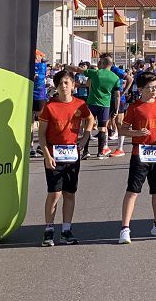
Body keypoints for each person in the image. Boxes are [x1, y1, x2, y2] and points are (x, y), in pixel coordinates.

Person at [117, 71, 156, 244]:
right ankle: (125, 229)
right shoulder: (134, 107)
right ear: (140, 89)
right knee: (133, 191)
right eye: (150, 87)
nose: (154, 90)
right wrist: (136, 133)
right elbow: (122, 130)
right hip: (140, 154)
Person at [38, 69, 95, 246]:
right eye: (61, 83)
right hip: (54, 155)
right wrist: (47, 155)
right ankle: (48, 230)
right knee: (54, 193)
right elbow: (41, 134)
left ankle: (66, 230)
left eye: (67, 82)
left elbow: (90, 119)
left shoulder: (80, 104)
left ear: (73, 85)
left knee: (69, 193)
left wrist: (85, 137)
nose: (64, 86)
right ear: (56, 86)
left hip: (72, 154)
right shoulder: (49, 106)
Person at [68, 56, 121, 158]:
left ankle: (86, 151)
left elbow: (78, 69)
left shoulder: (95, 73)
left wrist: (67, 67)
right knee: (102, 128)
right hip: (105, 105)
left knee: (88, 126)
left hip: (91, 103)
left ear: (102, 63)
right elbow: (117, 95)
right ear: (111, 64)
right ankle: (100, 152)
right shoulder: (115, 78)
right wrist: (116, 109)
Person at [30, 54, 49, 157]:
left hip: (33, 96)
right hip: (39, 97)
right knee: (42, 123)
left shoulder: (31, 66)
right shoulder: (42, 67)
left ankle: (32, 147)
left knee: (31, 124)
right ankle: (39, 146)